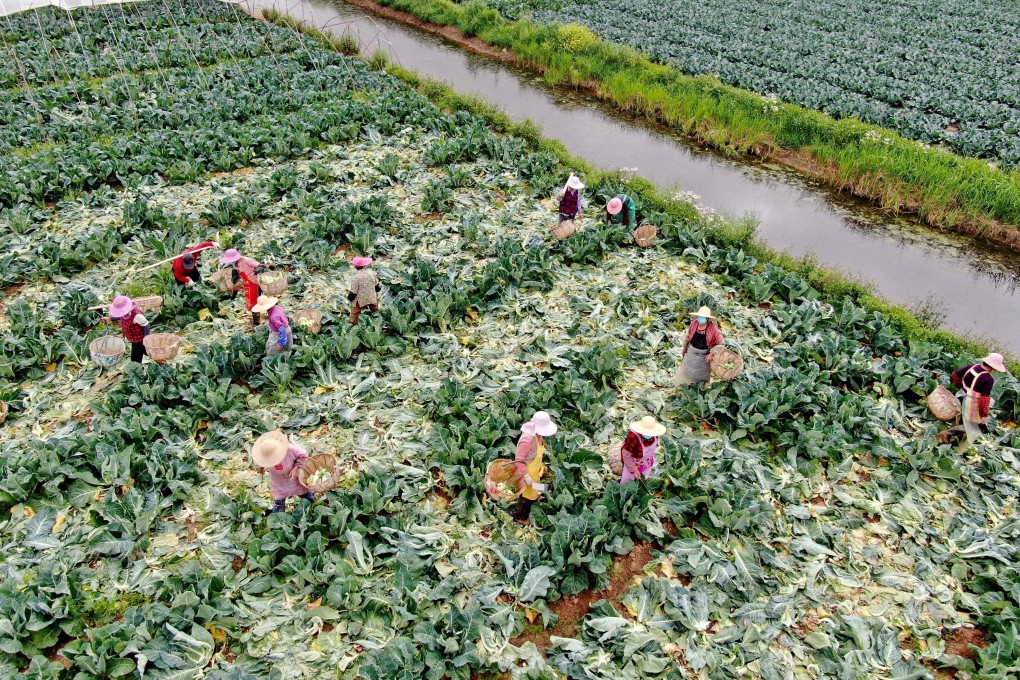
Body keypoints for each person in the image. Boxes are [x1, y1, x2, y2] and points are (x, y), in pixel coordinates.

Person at [941, 353, 1007, 450]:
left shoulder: (972, 367)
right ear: (994, 367)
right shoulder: (988, 379)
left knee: (961, 418)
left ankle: (953, 437)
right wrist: (984, 415)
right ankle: (948, 434)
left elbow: (955, 375)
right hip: (970, 403)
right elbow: (984, 400)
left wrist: (959, 386)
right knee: (974, 427)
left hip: (960, 395)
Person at [251, 430, 314, 513]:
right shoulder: (263, 454)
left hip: (294, 478)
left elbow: (304, 456)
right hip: (278, 481)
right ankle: (279, 514)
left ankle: (309, 504)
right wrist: (261, 468)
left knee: (304, 493)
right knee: (279, 500)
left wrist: (296, 468)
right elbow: (261, 461)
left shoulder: (290, 449)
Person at [511, 411, 557, 523]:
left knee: (537, 489)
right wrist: (526, 477)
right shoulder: (527, 440)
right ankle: (520, 517)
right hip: (527, 472)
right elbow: (518, 461)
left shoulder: (537, 435)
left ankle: (544, 491)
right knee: (527, 496)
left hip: (535, 470)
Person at [674, 306, 725, 387]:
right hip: (691, 352)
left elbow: (720, 343)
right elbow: (688, 336)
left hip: (703, 356)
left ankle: (699, 387)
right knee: (687, 371)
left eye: (703, 317)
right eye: (699, 317)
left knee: (700, 375)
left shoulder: (713, 329)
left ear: (707, 319)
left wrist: (711, 354)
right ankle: (686, 385)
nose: (700, 319)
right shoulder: (694, 324)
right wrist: (684, 348)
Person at [220, 248, 262, 325]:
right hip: (247, 284)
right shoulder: (235, 265)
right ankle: (256, 320)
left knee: (255, 302)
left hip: (255, 283)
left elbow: (259, 265)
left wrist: (257, 271)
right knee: (250, 302)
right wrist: (233, 296)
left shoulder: (246, 260)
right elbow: (236, 280)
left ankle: (257, 321)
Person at [620, 416, 666, 483]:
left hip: (647, 462)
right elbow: (626, 454)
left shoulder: (655, 434)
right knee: (627, 483)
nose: (649, 434)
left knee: (643, 480)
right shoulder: (633, 437)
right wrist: (633, 469)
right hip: (634, 462)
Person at [108, 295, 151, 363]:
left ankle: (138, 368)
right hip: (134, 339)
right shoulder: (124, 313)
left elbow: (146, 326)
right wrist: (110, 318)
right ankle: (158, 359)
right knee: (146, 351)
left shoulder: (137, 316)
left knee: (135, 359)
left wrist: (146, 338)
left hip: (139, 340)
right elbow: (119, 316)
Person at [348, 256, 381, 324]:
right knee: (375, 309)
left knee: (354, 313)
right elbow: (376, 285)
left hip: (361, 300)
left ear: (355, 267)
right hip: (372, 297)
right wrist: (377, 290)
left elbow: (354, 291)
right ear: (364, 265)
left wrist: (350, 298)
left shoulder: (356, 277)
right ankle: (379, 321)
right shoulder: (370, 273)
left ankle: (352, 324)